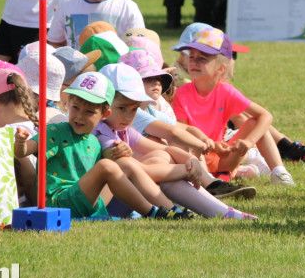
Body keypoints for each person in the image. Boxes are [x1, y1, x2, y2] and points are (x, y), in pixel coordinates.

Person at [95, 63, 257, 220]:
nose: (129, 116)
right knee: (138, 166)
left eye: (134, 109)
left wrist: (192, 162)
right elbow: (137, 171)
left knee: (160, 154)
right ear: (104, 105)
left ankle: (223, 211)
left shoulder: (123, 130)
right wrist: (185, 170)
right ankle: (176, 213)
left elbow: (164, 150)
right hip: (104, 204)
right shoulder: (101, 131)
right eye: (122, 108)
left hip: (122, 197)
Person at [13, 71, 175, 220]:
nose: (80, 116)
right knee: (107, 166)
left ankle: (167, 210)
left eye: (89, 111)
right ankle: (152, 212)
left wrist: (123, 151)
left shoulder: (93, 141)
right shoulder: (56, 130)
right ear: (68, 104)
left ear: (105, 115)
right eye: (75, 107)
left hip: (85, 200)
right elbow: (23, 152)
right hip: (58, 202)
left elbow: (110, 168)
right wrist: (20, 142)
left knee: (118, 165)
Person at [171, 27, 297, 187]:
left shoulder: (226, 91)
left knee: (254, 123)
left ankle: (279, 173)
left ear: (221, 68)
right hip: (195, 158)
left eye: (203, 58)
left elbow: (265, 116)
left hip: (222, 158)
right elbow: (182, 133)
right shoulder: (181, 94)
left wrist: (249, 142)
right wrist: (210, 145)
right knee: (188, 146)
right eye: (192, 56)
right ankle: (224, 175)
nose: (194, 62)